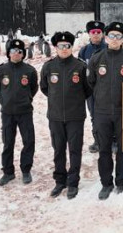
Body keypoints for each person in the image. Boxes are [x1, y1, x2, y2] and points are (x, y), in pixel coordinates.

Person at [87, 22, 123, 200]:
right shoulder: (97, 58)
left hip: (122, 111)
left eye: (118, 36)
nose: (115, 39)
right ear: (106, 37)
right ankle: (106, 183)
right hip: (102, 111)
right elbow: (91, 83)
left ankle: (121, 182)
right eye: (111, 35)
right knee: (104, 149)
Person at [40, 31, 93, 199]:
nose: (64, 49)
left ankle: (73, 182)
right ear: (55, 47)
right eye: (61, 46)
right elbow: (44, 88)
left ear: (72, 47)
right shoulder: (48, 67)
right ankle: (60, 181)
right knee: (58, 150)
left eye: (67, 46)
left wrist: (73, 101)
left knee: (75, 150)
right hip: (55, 116)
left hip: (75, 116)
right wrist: (57, 101)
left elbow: (88, 89)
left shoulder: (80, 66)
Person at [0, 39, 38, 187]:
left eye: (19, 51)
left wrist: (26, 99)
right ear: (8, 53)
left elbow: (33, 89)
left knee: (28, 141)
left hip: (25, 112)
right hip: (7, 113)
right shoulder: (1, 70)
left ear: (23, 54)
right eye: (13, 51)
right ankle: (8, 172)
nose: (16, 54)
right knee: (8, 143)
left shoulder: (30, 71)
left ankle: (26, 170)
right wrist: (6, 100)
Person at [79, 20, 107, 153]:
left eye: (98, 32)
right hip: (91, 91)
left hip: (107, 90)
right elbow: (80, 70)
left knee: (109, 115)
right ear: (89, 34)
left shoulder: (108, 48)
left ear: (102, 34)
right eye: (93, 32)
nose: (96, 35)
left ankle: (111, 141)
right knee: (94, 116)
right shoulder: (85, 51)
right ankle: (97, 140)